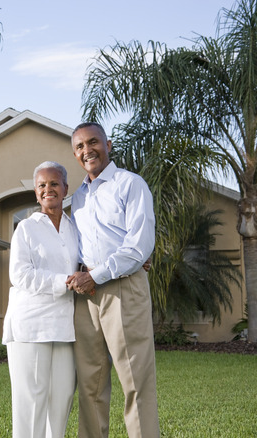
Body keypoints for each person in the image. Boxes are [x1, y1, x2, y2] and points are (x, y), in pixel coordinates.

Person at [65, 122, 160, 438]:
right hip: (86, 295)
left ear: (107, 144)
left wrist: (96, 273)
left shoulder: (130, 184)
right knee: (90, 383)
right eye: (79, 146)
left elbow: (138, 246)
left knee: (135, 382)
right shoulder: (78, 197)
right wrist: (85, 274)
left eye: (92, 142)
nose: (86, 150)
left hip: (122, 289)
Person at [2, 161, 79, 438]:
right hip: (31, 326)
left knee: (62, 398)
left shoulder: (74, 229)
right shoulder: (26, 228)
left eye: (54, 183)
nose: (49, 189)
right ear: (36, 194)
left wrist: (137, 261)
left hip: (66, 327)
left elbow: (91, 261)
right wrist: (64, 281)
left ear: (65, 189)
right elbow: (20, 275)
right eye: (42, 185)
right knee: (31, 402)